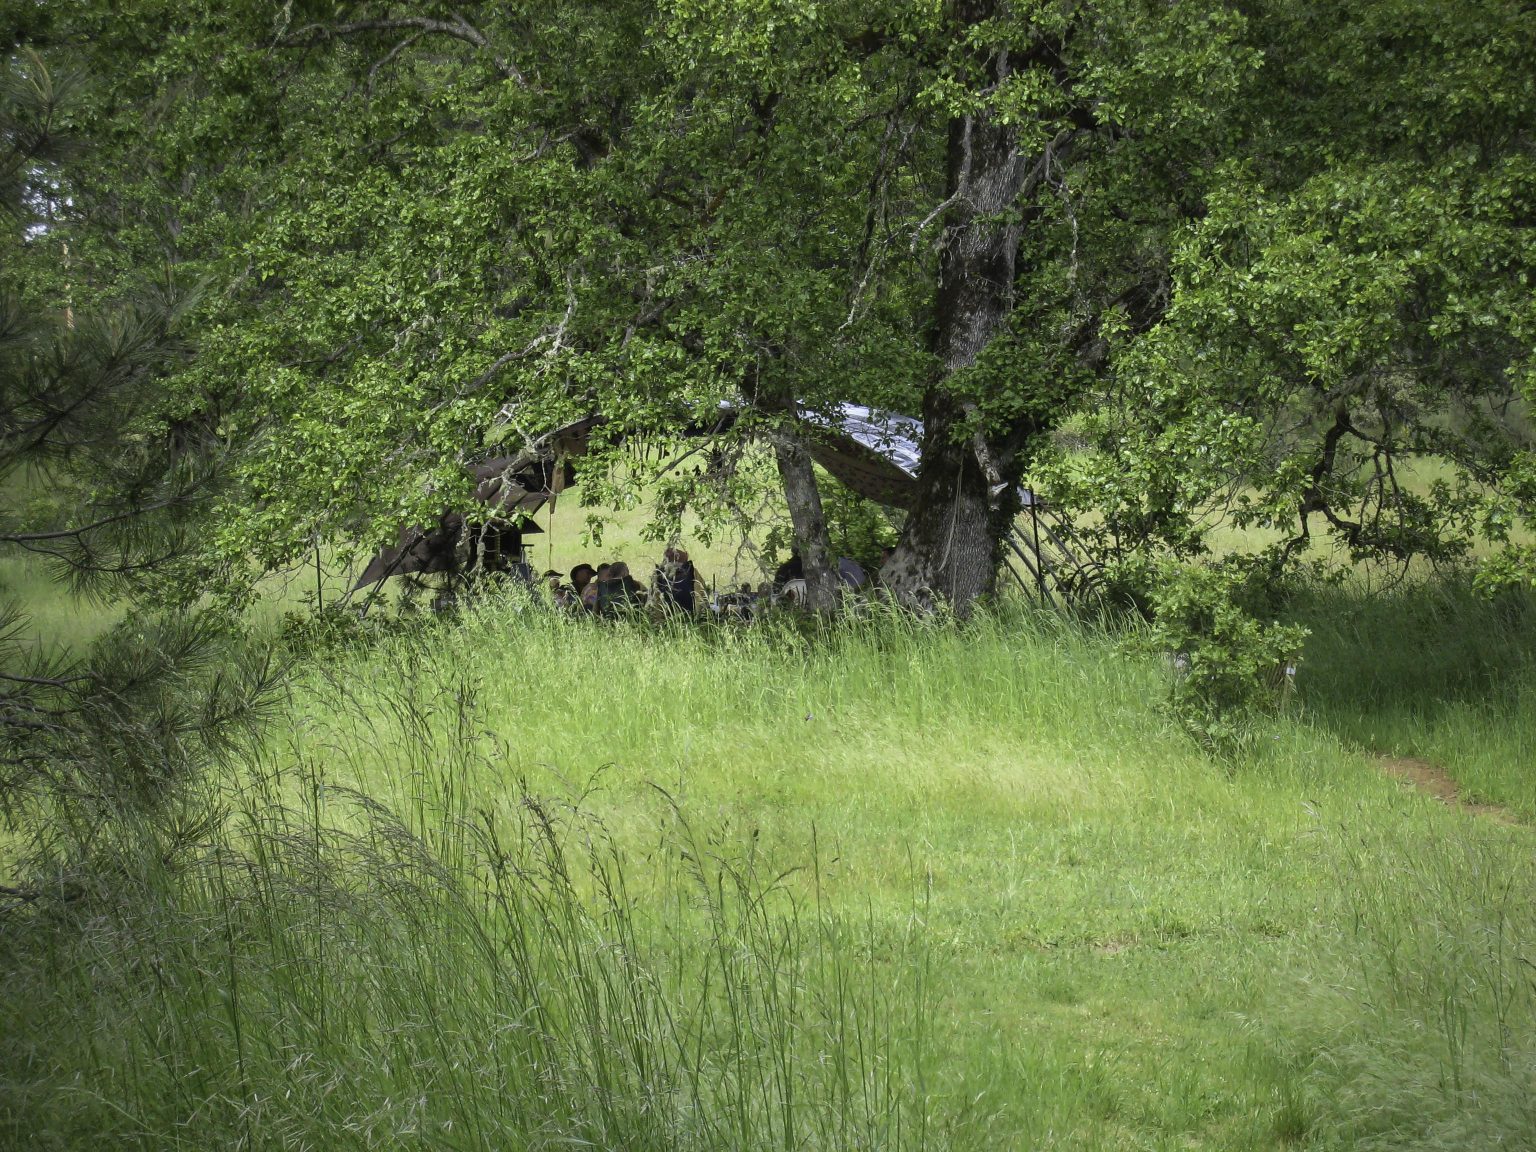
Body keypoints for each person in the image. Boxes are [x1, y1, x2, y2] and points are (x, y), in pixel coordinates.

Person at [652, 546, 700, 613]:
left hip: (666, 616)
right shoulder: (693, 573)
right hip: (689, 614)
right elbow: (701, 598)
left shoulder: (659, 574)